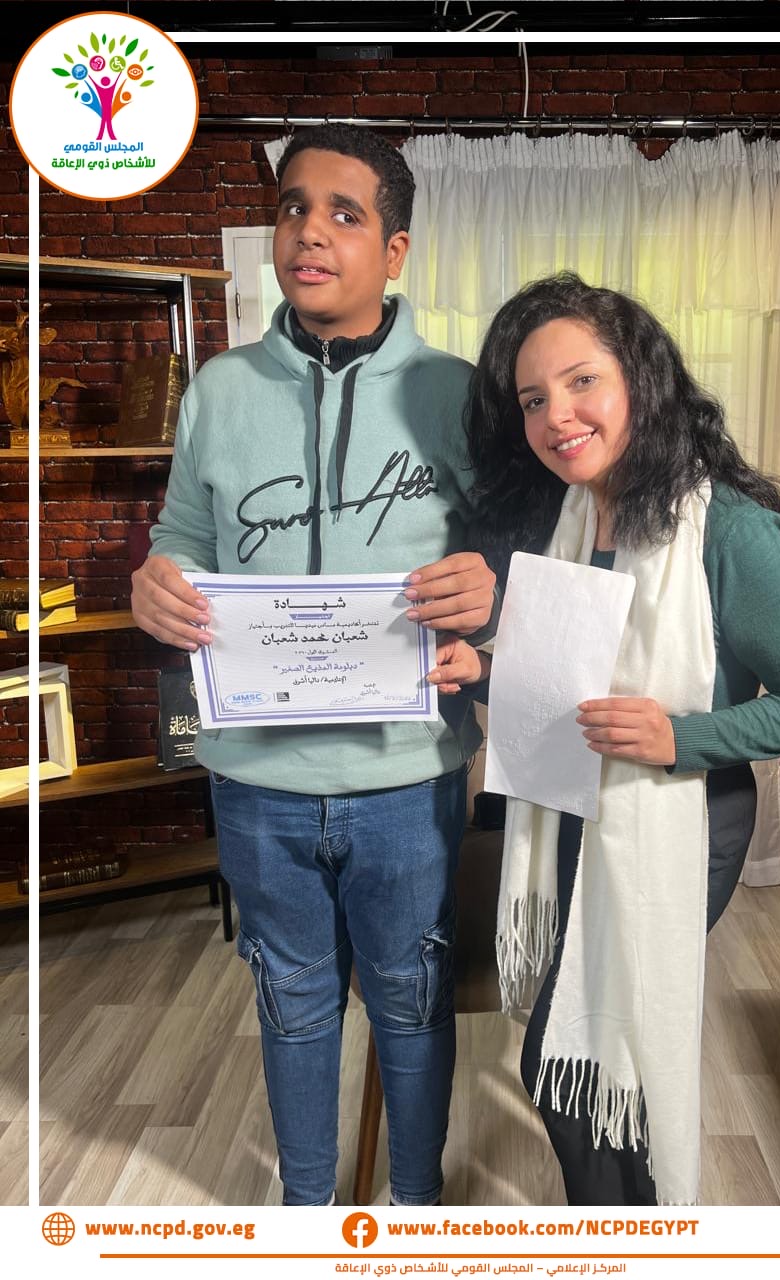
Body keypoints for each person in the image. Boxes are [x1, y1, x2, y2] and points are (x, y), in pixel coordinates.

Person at [428, 272, 780, 1206]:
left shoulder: (732, 531)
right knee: (582, 1057)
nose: (556, 416)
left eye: (582, 381)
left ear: (641, 381)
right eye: (532, 399)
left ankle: (632, 1230)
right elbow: (572, 688)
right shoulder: (571, 515)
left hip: (682, 814)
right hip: (575, 798)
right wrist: (481, 672)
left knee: (575, 1059)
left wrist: (679, 736)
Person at [132, 124, 497, 1208]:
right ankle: (306, 1212)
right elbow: (181, 537)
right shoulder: (218, 390)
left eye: (345, 213)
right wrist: (156, 581)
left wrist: (493, 594)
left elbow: (519, 552)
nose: (310, 232)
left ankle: (415, 1206)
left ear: (396, 249)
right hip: (257, 779)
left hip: (408, 775)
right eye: (293, 207)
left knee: (411, 1001)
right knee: (289, 1000)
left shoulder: (461, 393)